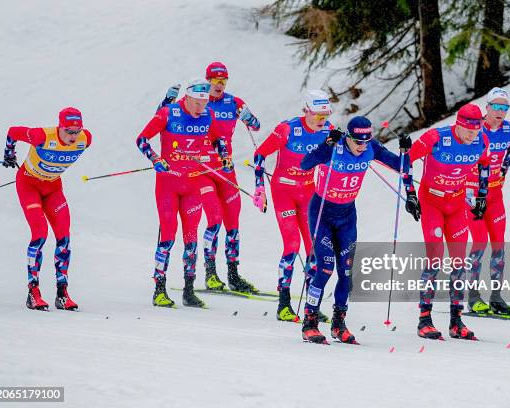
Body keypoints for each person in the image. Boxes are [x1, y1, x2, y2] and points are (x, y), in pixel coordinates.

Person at [299, 116, 418, 344]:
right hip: (322, 213)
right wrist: (326, 145)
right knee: (324, 269)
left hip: (346, 216)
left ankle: (338, 324)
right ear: (348, 137)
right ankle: (310, 322)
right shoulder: (334, 145)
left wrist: (405, 151)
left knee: (346, 274)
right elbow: (305, 164)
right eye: (358, 143)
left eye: (366, 142)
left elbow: (403, 167)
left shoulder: (371, 147)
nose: (362, 147)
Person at [158, 62, 260, 294]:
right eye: (215, 80)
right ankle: (210, 273)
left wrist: (248, 116)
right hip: (201, 170)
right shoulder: (195, 104)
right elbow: (162, 119)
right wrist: (166, 100)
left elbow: (256, 126)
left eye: (223, 81)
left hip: (225, 169)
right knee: (214, 218)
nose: (219, 85)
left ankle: (233, 275)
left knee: (233, 222)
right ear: (207, 81)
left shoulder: (233, 102)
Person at [136, 79, 230, 308]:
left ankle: (189, 290)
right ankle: (159, 289)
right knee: (168, 235)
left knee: (191, 238)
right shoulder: (168, 113)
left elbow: (219, 140)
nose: (200, 108)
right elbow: (142, 139)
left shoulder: (208, 116)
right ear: (186, 98)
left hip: (193, 184)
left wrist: (224, 155)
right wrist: (156, 159)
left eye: (204, 103)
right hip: (168, 184)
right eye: (196, 102)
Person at [408, 103, 490, 340]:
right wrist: (410, 194)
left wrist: (482, 195)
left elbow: (485, 164)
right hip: (431, 201)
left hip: (456, 205)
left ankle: (456, 321)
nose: (473, 135)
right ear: (459, 124)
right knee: (434, 258)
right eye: (469, 130)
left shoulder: (480, 140)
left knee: (458, 262)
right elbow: (406, 161)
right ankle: (424, 319)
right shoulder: (436, 137)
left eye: (477, 129)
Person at [252, 90, 333, 323]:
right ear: (306, 111)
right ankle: (284, 304)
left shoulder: (328, 130)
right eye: (317, 115)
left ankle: (312, 306)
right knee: (292, 244)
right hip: (284, 191)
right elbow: (260, 155)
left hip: (308, 191)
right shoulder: (286, 129)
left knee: (313, 248)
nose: (321, 120)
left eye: (325, 115)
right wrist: (260, 188)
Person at [3, 107, 92, 311]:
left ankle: (62, 293)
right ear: (60, 127)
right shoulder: (41, 136)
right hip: (29, 185)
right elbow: (12, 131)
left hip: (52, 187)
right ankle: (33, 293)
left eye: (76, 131)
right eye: (68, 131)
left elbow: (74, 145)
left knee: (64, 236)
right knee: (40, 233)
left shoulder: (85, 139)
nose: (73, 136)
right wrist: (9, 152)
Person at [466, 87, 510, 314]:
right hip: (472, 194)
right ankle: (473, 297)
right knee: (479, 241)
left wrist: (503, 171)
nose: (500, 111)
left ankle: (496, 297)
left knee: (498, 243)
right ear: (486, 107)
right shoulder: (475, 129)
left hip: (495, 195)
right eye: (496, 106)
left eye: (504, 107)